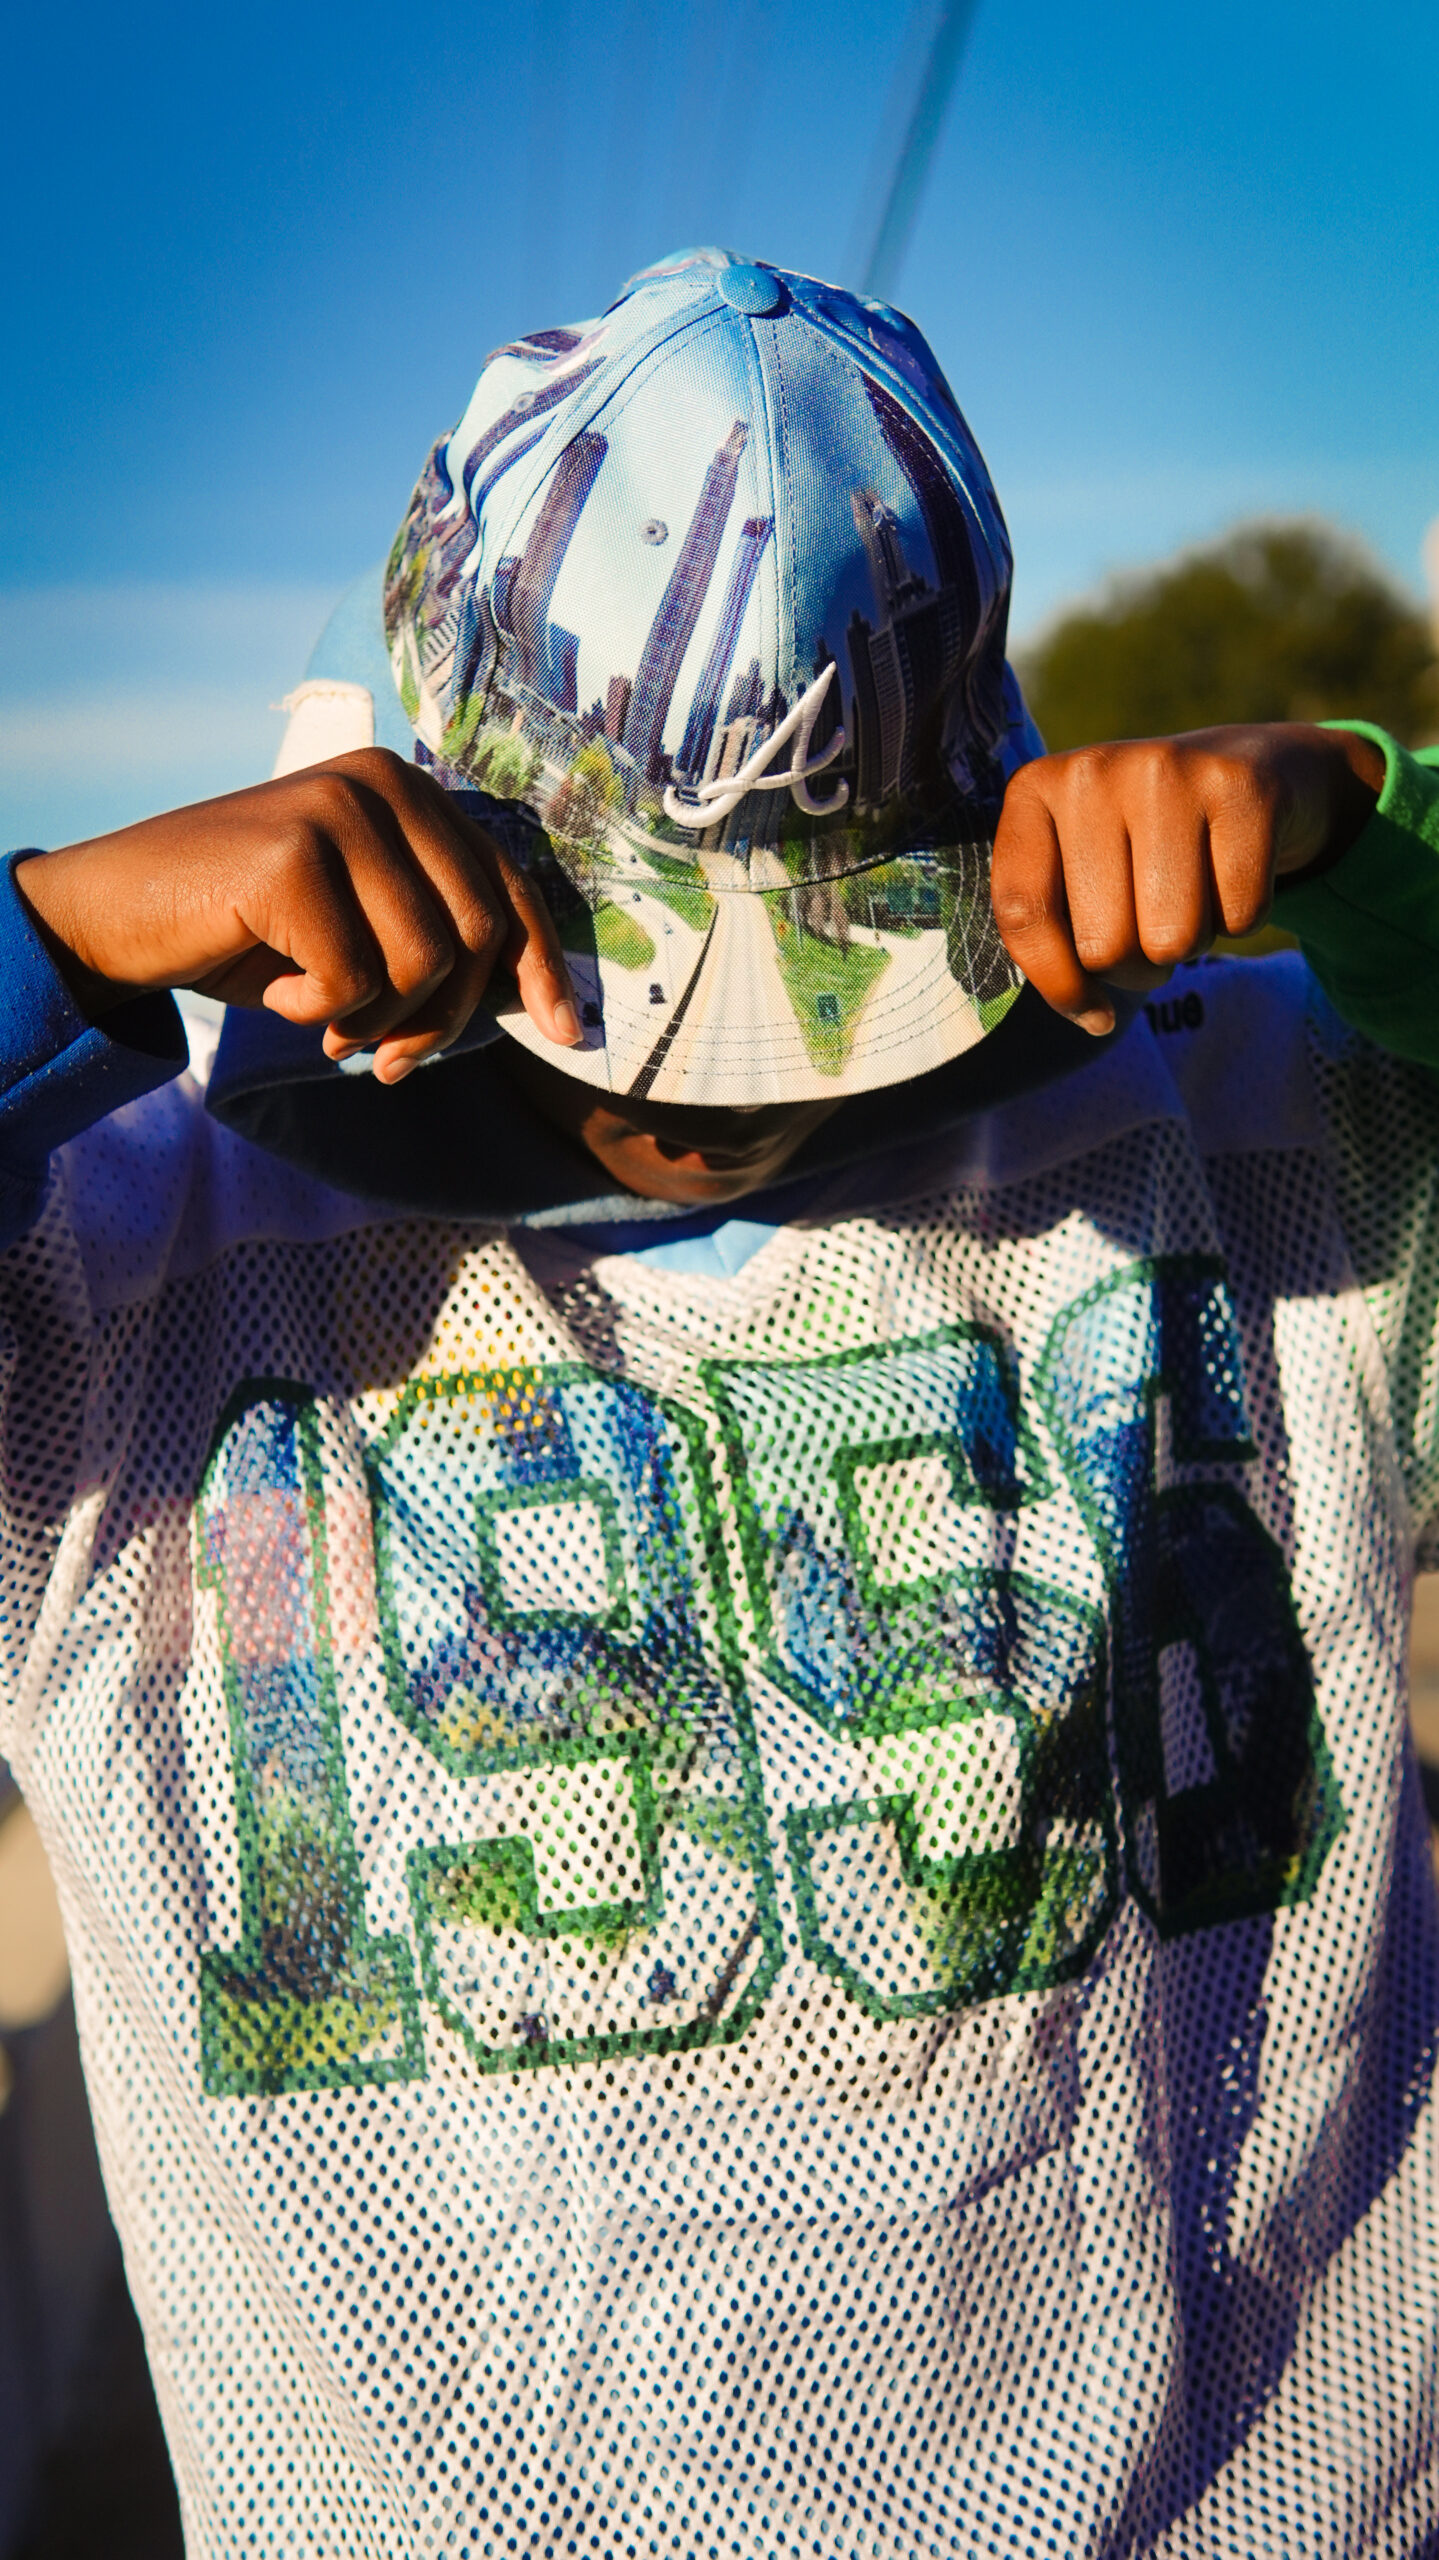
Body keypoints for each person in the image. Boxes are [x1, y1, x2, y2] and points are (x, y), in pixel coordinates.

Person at [2, 246, 1436, 2557]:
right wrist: (49, 941)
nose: (716, 1102)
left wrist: (1380, 849)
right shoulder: (117, 1276)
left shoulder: (1270, 1139)